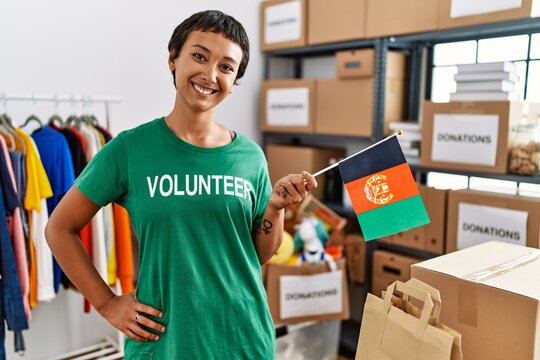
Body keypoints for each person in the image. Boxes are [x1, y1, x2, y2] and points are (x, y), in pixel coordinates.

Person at [45, 9, 317, 359]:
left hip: (243, 338)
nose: (210, 74)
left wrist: (274, 209)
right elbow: (59, 229)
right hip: (164, 343)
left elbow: (258, 254)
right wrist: (107, 303)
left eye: (226, 67)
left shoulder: (251, 157)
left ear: (234, 83)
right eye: (200, 56)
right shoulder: (130, 149)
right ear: (173, 59)